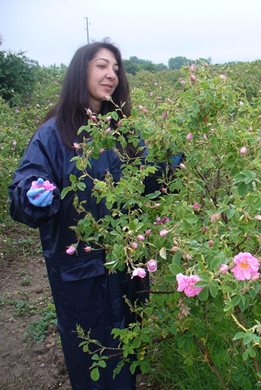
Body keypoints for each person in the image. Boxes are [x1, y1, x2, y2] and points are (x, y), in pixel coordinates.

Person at [8, 41, 160, 389]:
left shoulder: (123, 131)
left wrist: (170, 166)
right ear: (82, 71)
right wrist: (32, 194)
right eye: (102, 66)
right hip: (81, 274)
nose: (111, 75)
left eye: (116, 69)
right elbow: (22, 191)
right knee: (92, 354)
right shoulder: (52, 134)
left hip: (127, 264)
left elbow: (148, 182)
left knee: (128, 349)